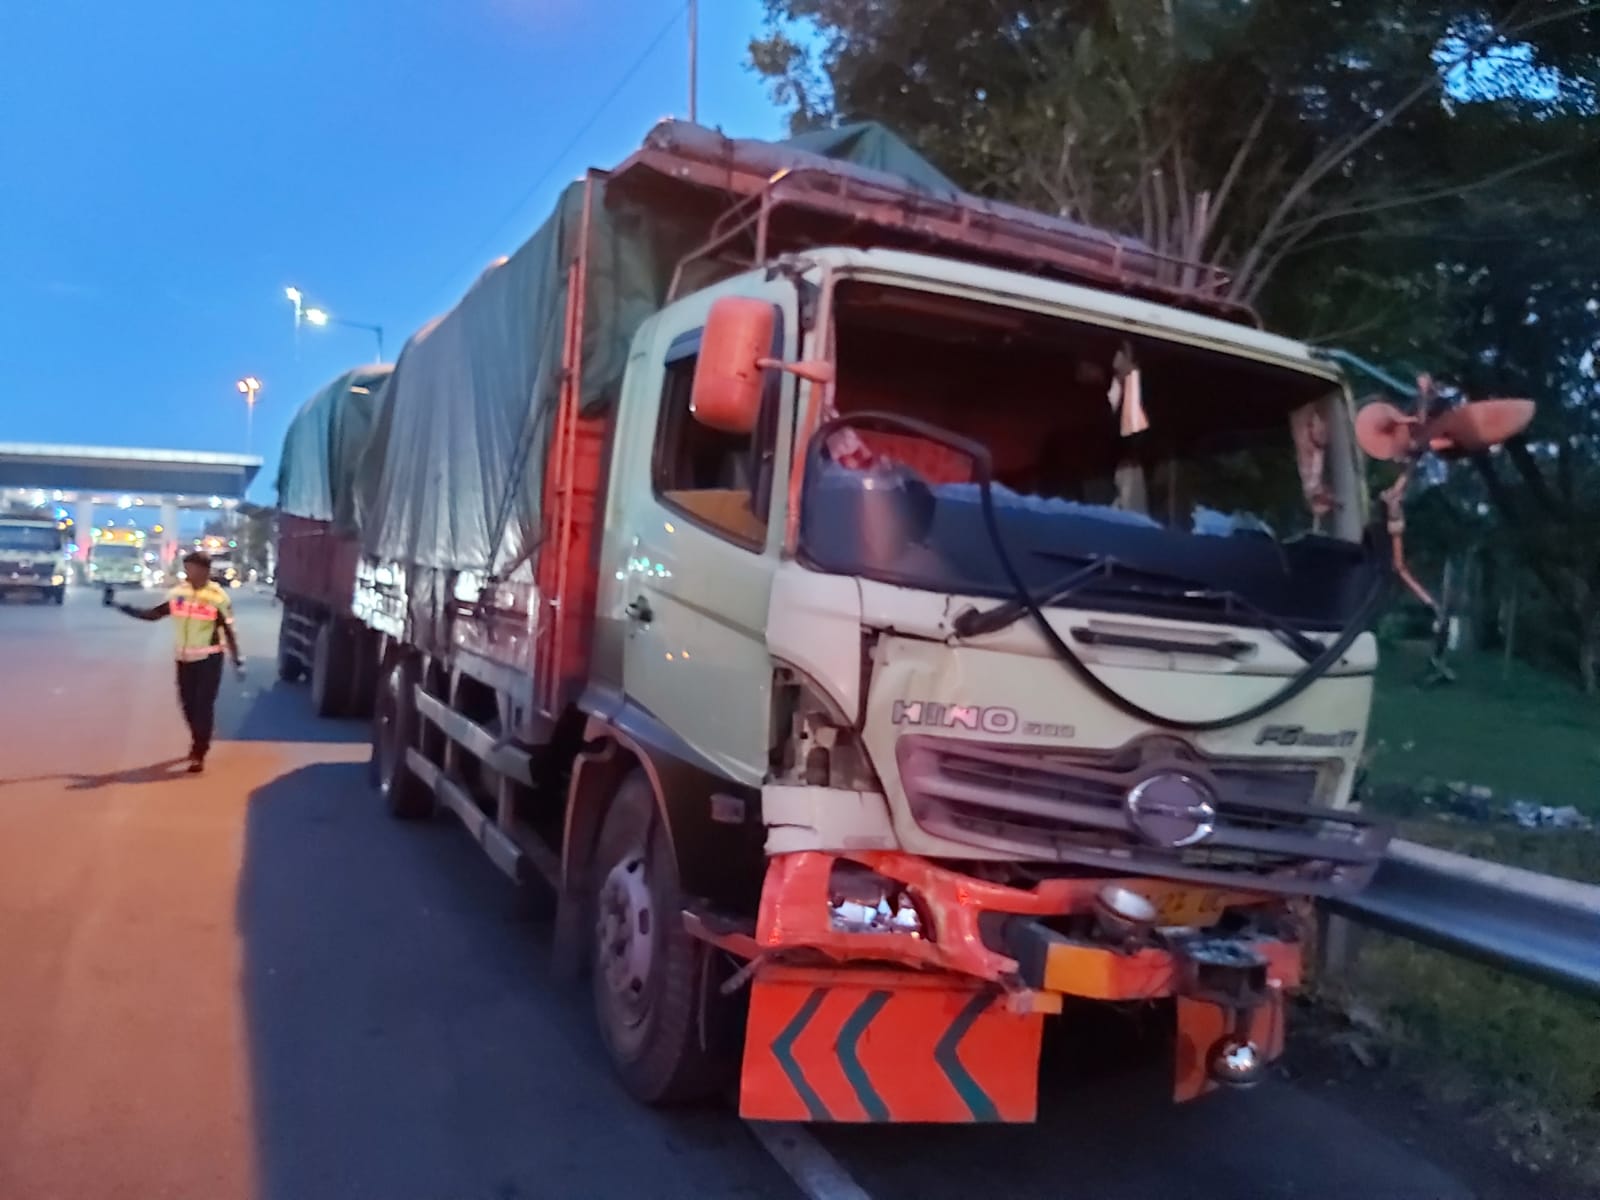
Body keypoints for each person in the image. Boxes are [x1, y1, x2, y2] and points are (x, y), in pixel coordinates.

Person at [118, 550, 246, 773]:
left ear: (204, 571)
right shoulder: (179, 593)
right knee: (188, 705)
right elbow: (154, 614)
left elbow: (229, 630)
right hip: (184, 659)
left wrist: (237, 659)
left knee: (203, 705)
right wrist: (122, 608)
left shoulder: (217, 597)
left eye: (192, 569)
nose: (188, 573)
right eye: (186, 568)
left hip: (209, 658)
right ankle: (201, 735)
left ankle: (199, 752)